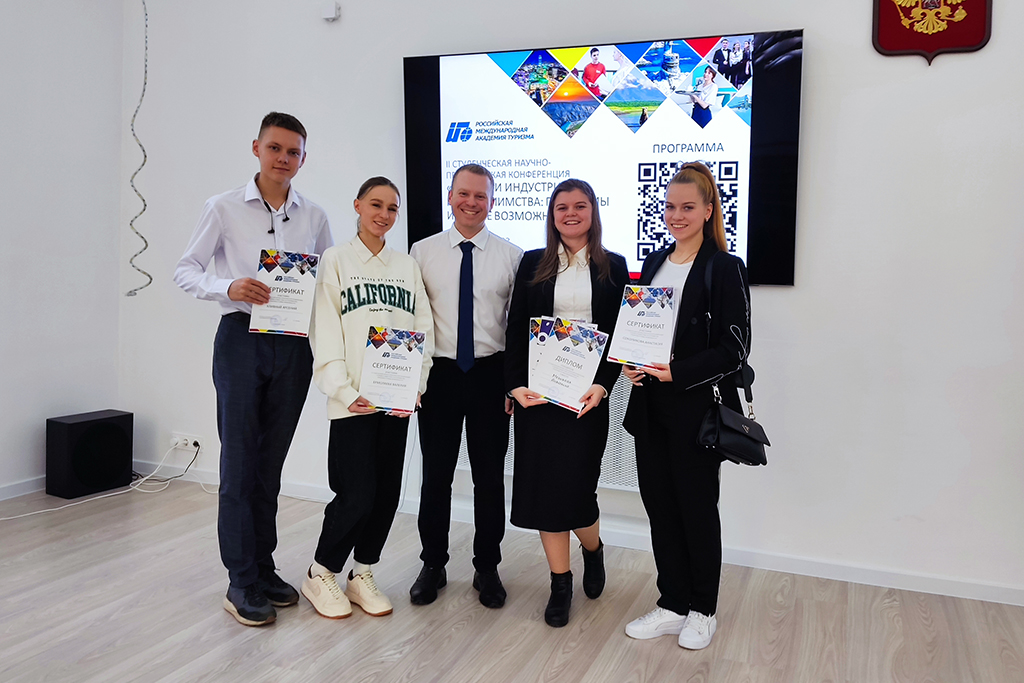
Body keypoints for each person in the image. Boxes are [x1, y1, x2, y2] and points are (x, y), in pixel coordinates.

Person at [174, 112, 334, 626]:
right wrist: (229, 286)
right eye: (275, 148)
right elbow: (185, 270)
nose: (283, 158)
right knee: (240, 463)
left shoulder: (314, 216)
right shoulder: (221, 207)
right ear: (256, 149)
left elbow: (328, 281)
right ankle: (240, 580)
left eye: (293, 152)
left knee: (270, 464)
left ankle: (263, 568)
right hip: (241, 340)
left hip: (293, 346)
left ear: (303, 158)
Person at [621, 162, 750, 650]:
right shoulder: (655, 260)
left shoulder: (725, 267)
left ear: (708, 210)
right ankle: (672, 602)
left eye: (688, 207)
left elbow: (735, 348)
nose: (676, 215)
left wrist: (677, 371)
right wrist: (631, 363)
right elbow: (639, 329)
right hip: (650, 406)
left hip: (695, 409)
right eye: (670, 207)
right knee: (659, 506)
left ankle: (702, 609)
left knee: (696, 509)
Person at [302, 177, 434, 620]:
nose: (384, 214)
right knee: (355, 493)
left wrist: (417, 383)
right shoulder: (336, 259)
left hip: (396, 400)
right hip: (352, 400)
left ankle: (362, 572)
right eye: (376, 205)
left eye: (392, 208)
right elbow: (324, 330)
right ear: (357, 205)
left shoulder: (406, 265)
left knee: (387, 493)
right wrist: (342, 389)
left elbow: (423, 328)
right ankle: (321, 571)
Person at [504, 179, 629, 627]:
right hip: (538, 398)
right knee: (544, 491)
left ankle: (592, 549)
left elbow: (619, 334)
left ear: (593, 212)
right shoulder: (532, 263)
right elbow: (515, 327)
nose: (571, 214)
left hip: (586, 398)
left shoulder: (614, 266)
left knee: (578, 490)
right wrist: (513, 385)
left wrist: (604, 386)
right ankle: (561, 582)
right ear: (552, 215)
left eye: (580, 206)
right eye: (562, 207)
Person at [409, 164, 524, 608]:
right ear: (450, 196)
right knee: (435, 476)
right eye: (463, 194)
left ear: (492, 202)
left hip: (490, 376)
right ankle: (432, 564)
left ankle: (487, 567)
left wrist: (513, 384)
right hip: (438, 375)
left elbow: (517, 327)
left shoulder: (512, 256)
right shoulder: (422, 252)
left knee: (488, 477)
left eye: (480, 196)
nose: (471, 202)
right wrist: (412, 377)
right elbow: (412, 319)